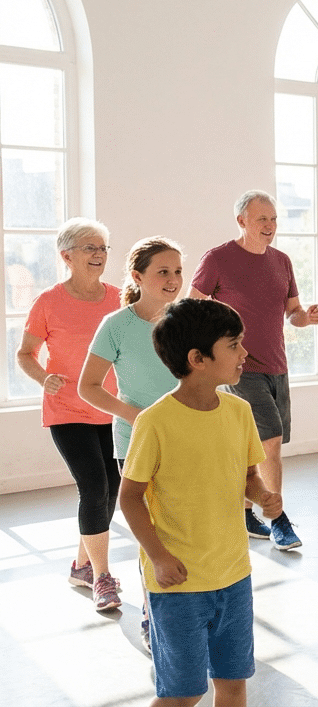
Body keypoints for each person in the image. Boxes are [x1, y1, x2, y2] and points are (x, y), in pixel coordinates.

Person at [119, 298, 280, 707]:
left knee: (233, 684)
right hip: (179, 584)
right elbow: (130, 497)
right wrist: (157, 556)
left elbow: (247, 475)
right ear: (198, 358)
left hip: (233, 575)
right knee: (184, 694)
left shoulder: (239, 410)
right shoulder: (154, 422)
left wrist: (262, 495)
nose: (245, 354)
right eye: (234, 345)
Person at [191, 190, 318, 550]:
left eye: (274, 219)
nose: (269, 225)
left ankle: (244, 511)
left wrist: (304, 318)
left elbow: (292, 312)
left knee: (249, 446)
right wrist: (215, 353)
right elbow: (193, 309)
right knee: (271, 442)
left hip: (277, 365)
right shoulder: (218, 258)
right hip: (238, 368)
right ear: (242, 221)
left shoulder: (281, 261)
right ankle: (277, 518)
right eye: (262, 218)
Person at [77, 237, 184, 646]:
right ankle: (153, 614)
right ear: (138, 277)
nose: (173, 279)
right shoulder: (116, 325)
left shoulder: (187, 320)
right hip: (137, 441)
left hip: (187, 438)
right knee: (152, 532)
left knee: (183, 527)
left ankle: (185, 605)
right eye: (163, 271)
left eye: (177, 271)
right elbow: (89, 387)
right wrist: (137, 417)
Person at [16, 218, 122, 611]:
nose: (99, 255)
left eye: (103, 248)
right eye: (90, 248)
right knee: (94, 487)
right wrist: (44, 378)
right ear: (67, 256)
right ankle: (102, 577)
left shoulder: (119, 298)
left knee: (110, 489)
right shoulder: (48, 302)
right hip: (67, 410)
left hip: (112, 408)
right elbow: (25, 353)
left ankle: (81, 564)